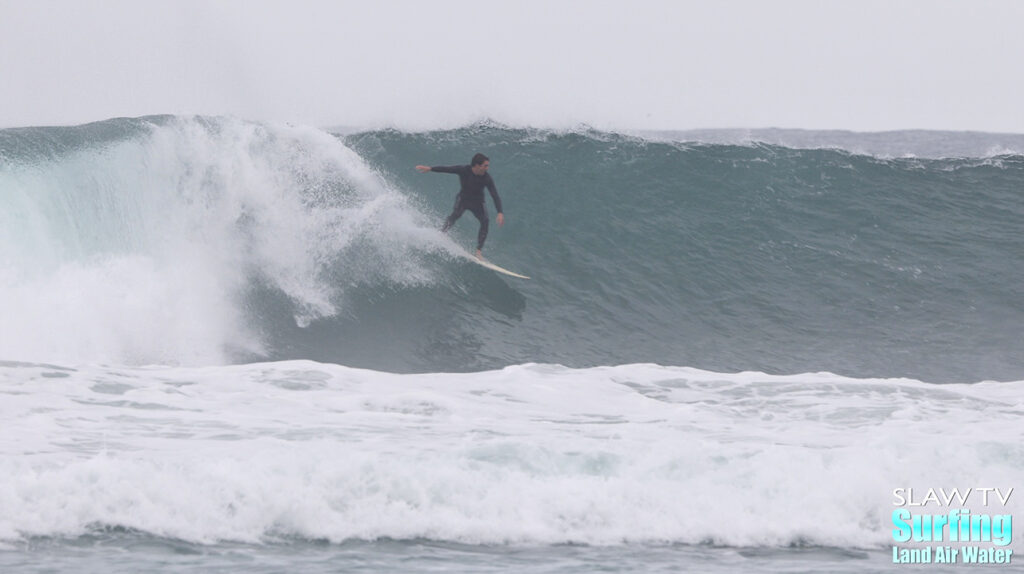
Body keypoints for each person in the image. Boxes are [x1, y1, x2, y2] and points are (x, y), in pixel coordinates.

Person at [416, 153, 505, 259]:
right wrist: (430, 168)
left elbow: (494, 194)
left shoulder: (487, 178)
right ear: (477, 165)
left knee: (485, 221)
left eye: (487, 166)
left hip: (478, 202)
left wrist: (500, 212)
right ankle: (441, 234)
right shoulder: (464, 170)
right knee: (455, 215)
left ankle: (478, 251)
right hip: (463, 199)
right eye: (485, 166)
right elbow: (447, 169)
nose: (487, 168)